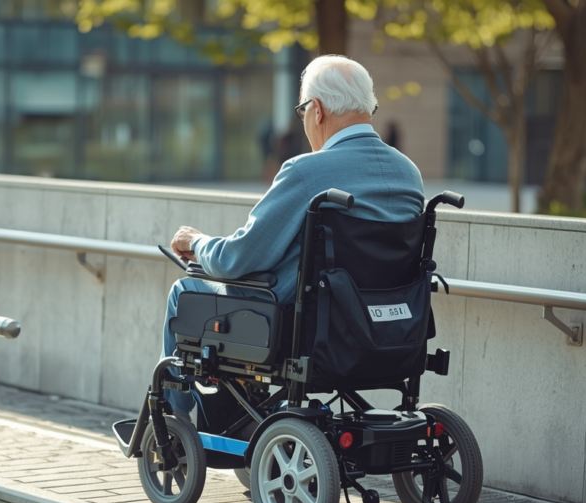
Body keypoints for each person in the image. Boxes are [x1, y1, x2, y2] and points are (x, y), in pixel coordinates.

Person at [162, 54, 425, 412]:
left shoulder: (306, 172)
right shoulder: (408, 173)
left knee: (185, 289)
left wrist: (196, 241)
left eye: (303, 112)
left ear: (316, 110)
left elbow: (236, 259)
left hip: (305, 327)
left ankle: (174, 419)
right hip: (391, 328)